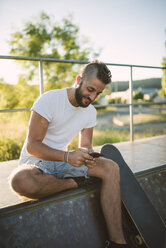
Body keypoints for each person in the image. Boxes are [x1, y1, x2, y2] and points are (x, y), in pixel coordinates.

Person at [9, 61, 129, 248]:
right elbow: (33, 146)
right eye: (90, 89)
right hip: (37, 162)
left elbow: (86, 145)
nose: (92, 97)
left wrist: (87, 155)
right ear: (78, 80)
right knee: (20, 181)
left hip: (66, 162)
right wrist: (67, 157)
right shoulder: (49, 100)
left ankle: (118, 243)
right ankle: (74, 183)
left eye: (98, 93)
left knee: (111, 168)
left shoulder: (91, 112)